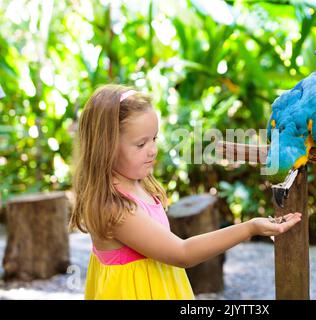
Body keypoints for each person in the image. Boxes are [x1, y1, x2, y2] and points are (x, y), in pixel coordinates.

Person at [69, 84, 302, 300]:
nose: (152, 150)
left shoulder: (137, 182)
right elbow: (182, 253)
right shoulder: (115, 208)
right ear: (105, 146)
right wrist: (249, 228)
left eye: (154, 139)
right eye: (141, 144)